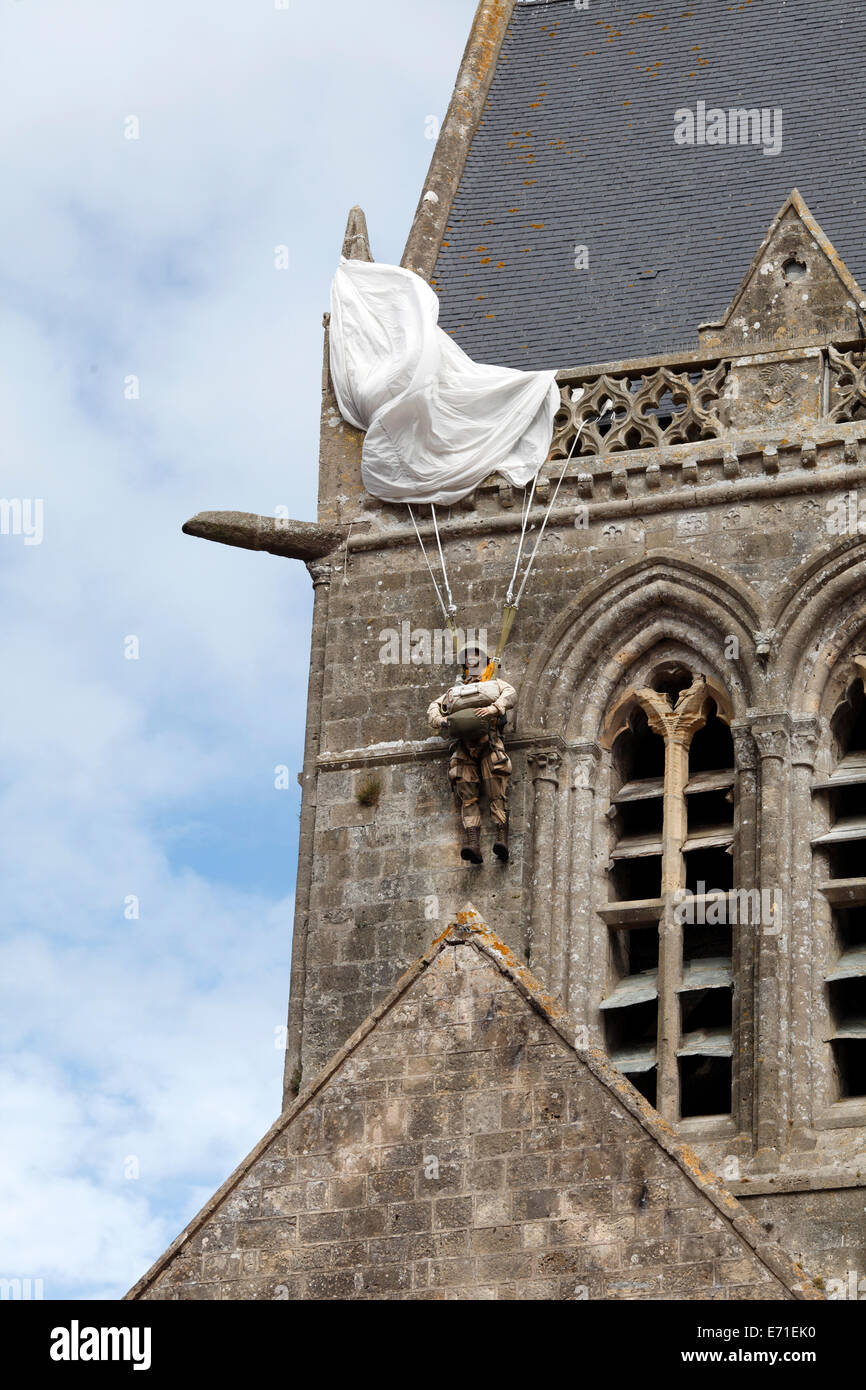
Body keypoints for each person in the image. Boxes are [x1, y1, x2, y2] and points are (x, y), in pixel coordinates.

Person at [426, 643, 517, 864]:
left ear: (484, 661)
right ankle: (473, 843)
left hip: (490, 743)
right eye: (467, 657)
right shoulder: (453, 692)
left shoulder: (494, 684)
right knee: (467, 796)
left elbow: (511, 694)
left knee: (496, 791)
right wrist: (441, 720)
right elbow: (433, 708)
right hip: (462, 748)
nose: (471, 660)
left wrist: (494, 708)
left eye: (476, 655)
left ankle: (501, 839)